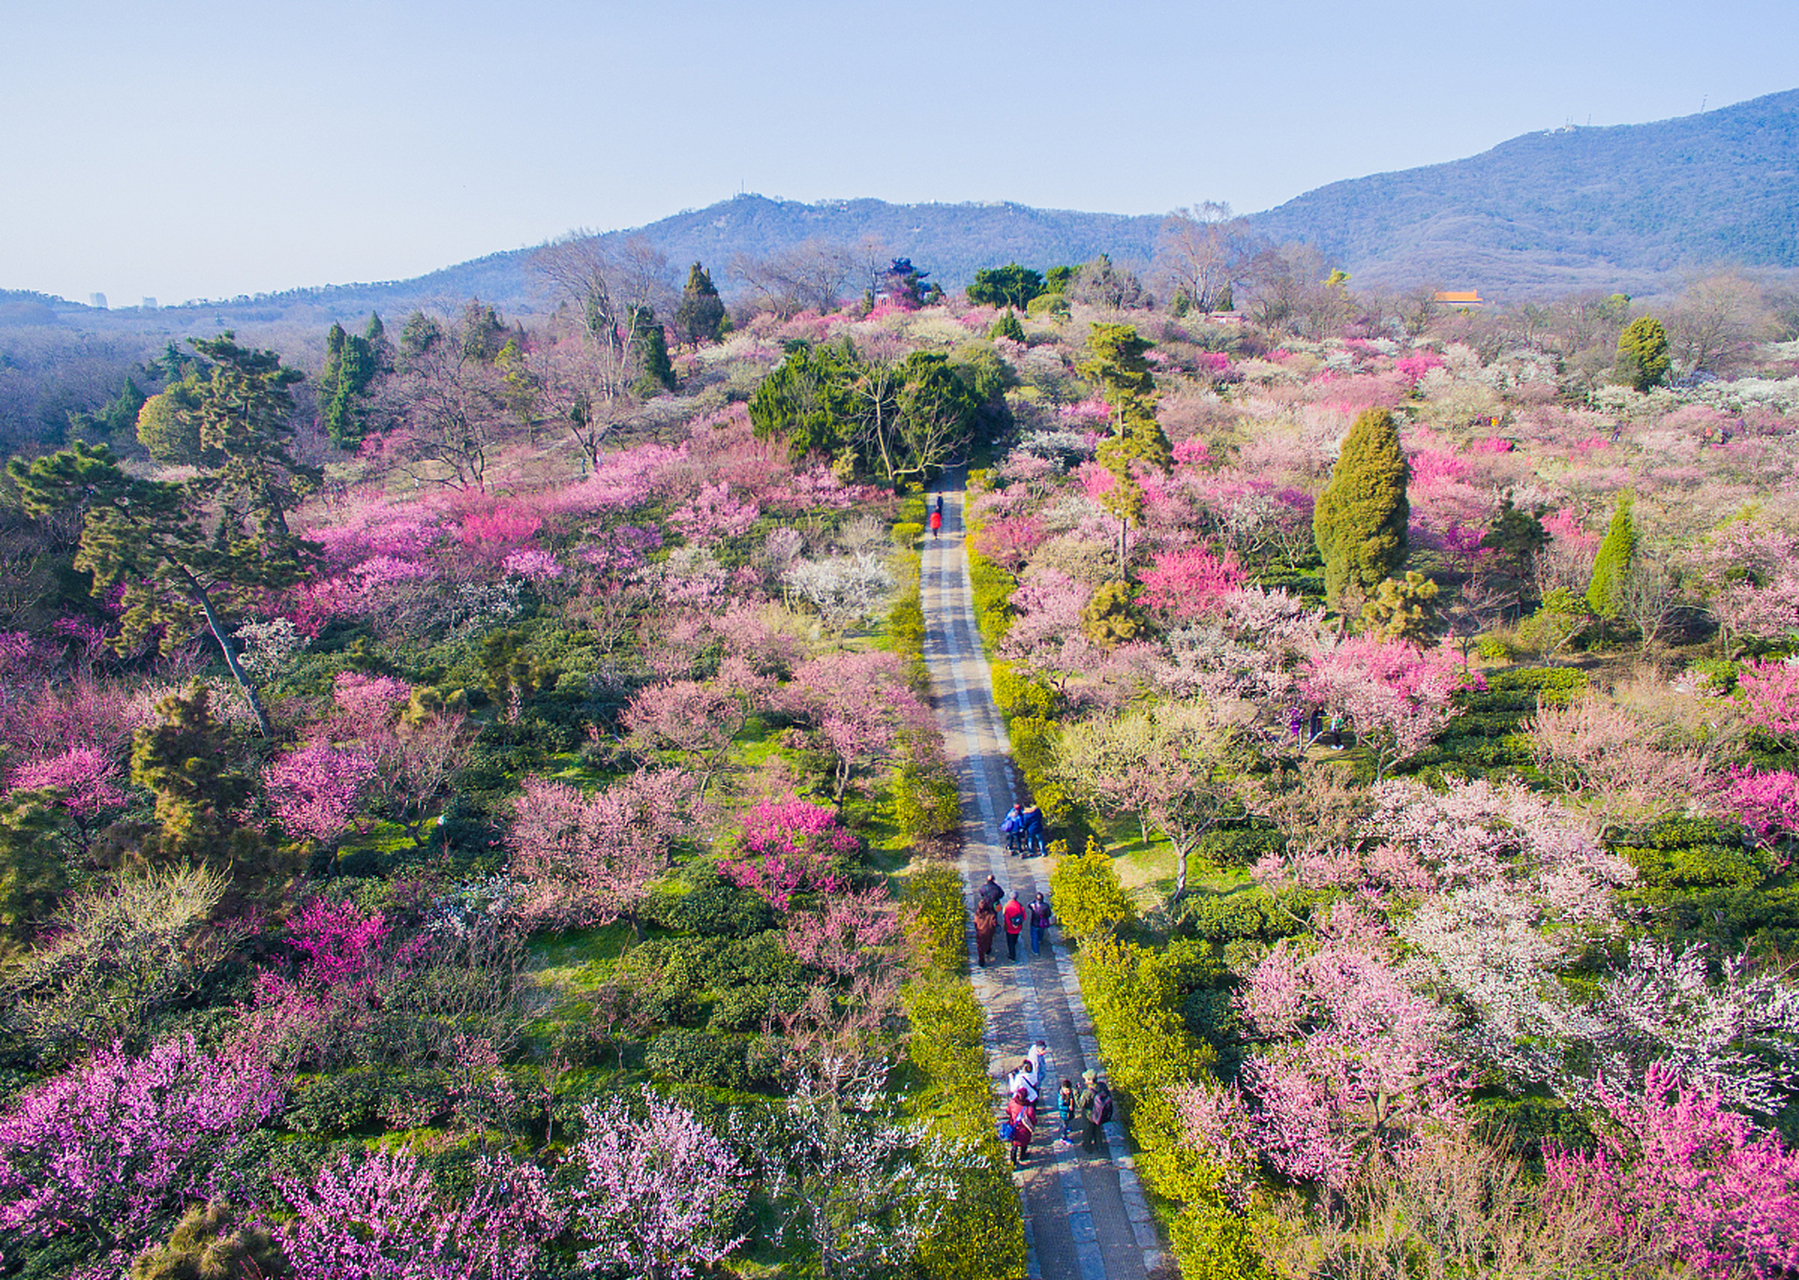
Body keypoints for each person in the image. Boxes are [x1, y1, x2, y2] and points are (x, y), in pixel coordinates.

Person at [1006, 1087, 1036, 1165]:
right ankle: (1022, 1156)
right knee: (1024, 1143)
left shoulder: (1012, 1102)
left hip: (1013, 1127)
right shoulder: (1029, 1108)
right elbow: (1034, 1120)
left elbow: (1008, 1111)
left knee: (1014, 1144)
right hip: (1024, 1131)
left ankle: (1013, 1161)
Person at [974, 900, 998, 967]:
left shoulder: (977, 914)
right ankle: (987, 950)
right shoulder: (991, 914)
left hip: (980, 932)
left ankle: (981, 960)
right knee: (988, 942)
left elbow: (975, 923)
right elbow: (994, 923)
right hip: (988, 932)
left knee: (980, 946)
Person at [1002, 893, 1026, 960]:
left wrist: (1010, 925)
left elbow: (1006, 918)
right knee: (1015, 937)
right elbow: (1024, 917)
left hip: (1009, 928)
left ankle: (1012, 955)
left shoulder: (1007, 906)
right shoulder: (1020, 906)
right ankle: (1015, 942)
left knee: (1010, 943)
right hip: (1018, 927)